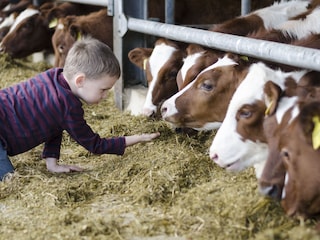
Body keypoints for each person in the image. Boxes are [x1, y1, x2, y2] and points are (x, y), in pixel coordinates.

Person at [0, 37, 160, 180]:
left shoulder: (54, 77)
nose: (105, 96)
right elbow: (95, 145)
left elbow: (54, 125)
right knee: (11, 181)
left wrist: (52, 163)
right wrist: (138, 138)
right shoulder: (68, 106)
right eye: (103, 90)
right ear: (80, 80)